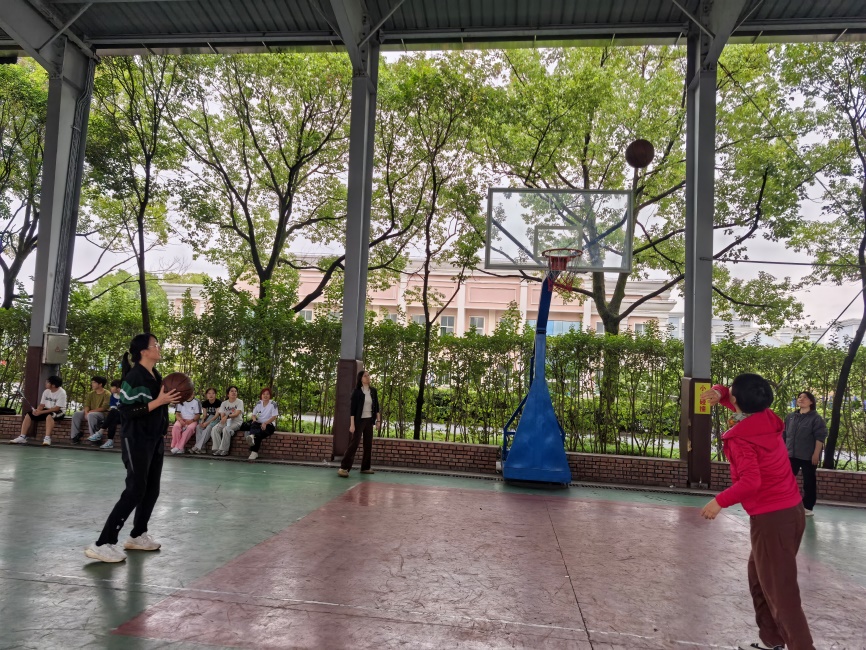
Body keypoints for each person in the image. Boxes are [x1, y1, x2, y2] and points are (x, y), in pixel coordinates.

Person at [699, 374, 813, 650]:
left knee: (781, 593)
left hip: (773, 518)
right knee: (760, 579)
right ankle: (773, 641)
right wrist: (719, 392)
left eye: (730, 392)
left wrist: (719, 501)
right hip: (790, 512)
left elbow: (751, 482)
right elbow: (737, 400)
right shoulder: (766, 418)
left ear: (737, 400)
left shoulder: (741, 438)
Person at [84, 333, 180, 563]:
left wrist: (170, 399)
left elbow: (155, 403)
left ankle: (137, 535)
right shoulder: (134, 377)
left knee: (151, 489)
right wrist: (159, 402)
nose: (158, 347)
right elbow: (126, 411)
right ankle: (102, 543)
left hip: (154, 438)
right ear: (143, 352)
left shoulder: (155, 374)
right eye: (155, 345)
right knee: (135, 489)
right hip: (136, 439)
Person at [784, 391, 827, 516]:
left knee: (809, 482)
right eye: (799, 397)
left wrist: (816, 454)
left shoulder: (816, 418)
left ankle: (807, 507)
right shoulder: (791, 417)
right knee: (786, 480)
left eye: (805, 397)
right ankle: (785, 503)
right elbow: (784, 435)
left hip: (808, 456)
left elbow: (820, 437)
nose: (801, 399)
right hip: (791, 455)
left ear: (811, 402)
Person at [337, 370, 381, 477]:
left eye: (368, 375)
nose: (367, 377)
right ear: (360, 378)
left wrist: (378, 421)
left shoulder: (373, 391)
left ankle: (365, 467)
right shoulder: (356, 392)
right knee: (354, 444)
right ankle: (344, 468)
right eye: (365, 376)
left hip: (369, 420)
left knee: (368, 444)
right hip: (359, 421)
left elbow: (377, 407)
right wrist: (352, 425)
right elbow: (352, 410)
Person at [9, 376, 67, 446]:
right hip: (47, 410)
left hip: (59, 411)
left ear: (53, 385)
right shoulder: (46, 391)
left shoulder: (62, 393)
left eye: (48, 382)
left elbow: (56, 409)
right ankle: (22, 437)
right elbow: (42, 405)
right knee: (29, 414)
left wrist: (41, 412)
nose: (46, 383)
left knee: (50, 416)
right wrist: (37, 410)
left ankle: (47, 438)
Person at [241, 387, 278, 461]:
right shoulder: (259, 403)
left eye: (267, 394)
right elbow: (253, 415)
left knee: (258, 434)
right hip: (258, 423)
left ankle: (254, 451)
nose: (265, 396)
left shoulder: (273, 404)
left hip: (269, 424)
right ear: (261, 395)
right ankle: (252, 438)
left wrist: (265, 423)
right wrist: (254, 421)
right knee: (254, 424)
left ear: (270, 395)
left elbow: (274, 417)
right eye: (263, 394)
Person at [71, 376, 111, 444]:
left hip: (102, 413)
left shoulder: (107, 394)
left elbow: (104, 407)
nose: (92, 384)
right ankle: (75, 436)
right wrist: (86, 413)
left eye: (94, 382)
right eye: (92, 382)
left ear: (100, 384)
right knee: (76, 414)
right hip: (90, 413)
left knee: (91, 415)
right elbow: (87, 405)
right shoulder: (91, 394)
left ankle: (95, 437)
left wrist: (90, 412)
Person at [210, 386, 243, 457]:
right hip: (225, 421)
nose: (234, 392)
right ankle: (217, 449)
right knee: (215, 429)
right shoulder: (224, 403)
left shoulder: (240, 402)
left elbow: (236, 414)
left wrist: (227, 416)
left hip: (236, 422)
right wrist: (224, 419)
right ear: (228, 394)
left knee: (226, 429)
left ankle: (224, 450)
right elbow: (222, 415)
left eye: (235, 391)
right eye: (232, 391)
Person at [89, 380, 122, 448]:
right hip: (116, 416)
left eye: (112, 386)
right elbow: (113, 408)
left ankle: (100, 432)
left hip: (124, 416)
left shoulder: (125, 396)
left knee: (113, 413)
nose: (111, 388)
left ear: (118, 388)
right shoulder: (113, 396)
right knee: (113, 420)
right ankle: (110, 441)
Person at [190, 387, 221, 454]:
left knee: (208, 428)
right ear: (206, 395)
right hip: (208, 418)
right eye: (209, 393)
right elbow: (204, 415)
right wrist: (202, 422)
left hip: (216, 419)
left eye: (213, 393)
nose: (211, 395)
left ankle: (196, 447)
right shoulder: (205, 403)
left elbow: (216, 415)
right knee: (198, 427)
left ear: (215, 394)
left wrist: (207, 423)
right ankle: (202, 448)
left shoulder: (218, 402)